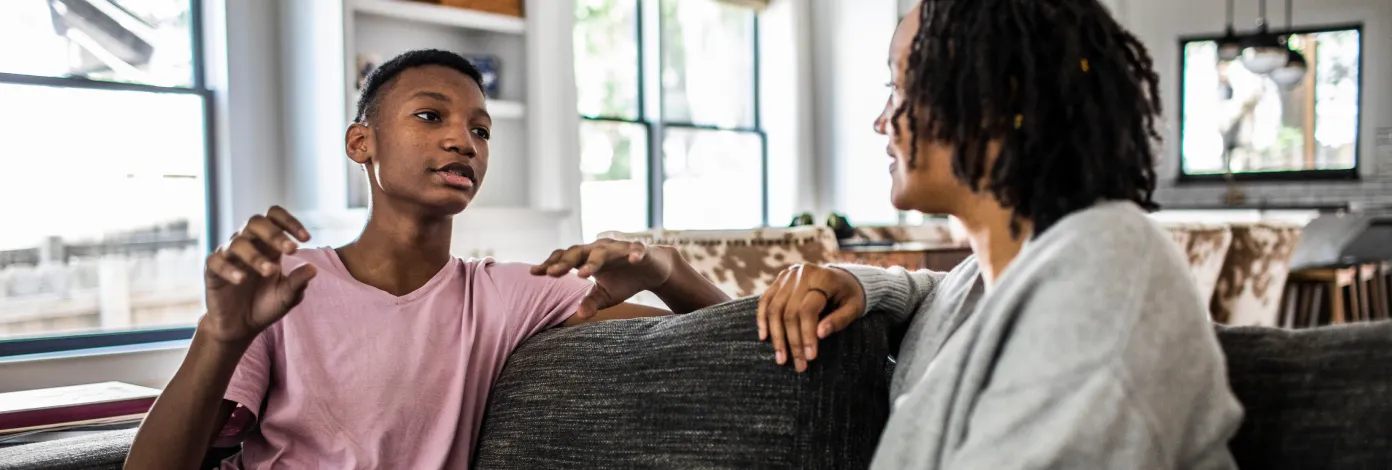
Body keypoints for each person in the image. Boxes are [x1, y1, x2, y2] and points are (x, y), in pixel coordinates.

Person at [124, 49, 729, 470]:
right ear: (361, 142)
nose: (463, 141)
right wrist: (220, 334)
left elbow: (727, 341)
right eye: (430, 115)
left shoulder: (505, 295)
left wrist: (668, 269)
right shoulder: (283, 284)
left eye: (481, 130)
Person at [755, 1, 1244, 468]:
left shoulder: (1102, 281)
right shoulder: (1004, 268)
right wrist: (859, 284)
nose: (881, 120)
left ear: (994, 97)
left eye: (897, 88)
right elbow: (944, 297)